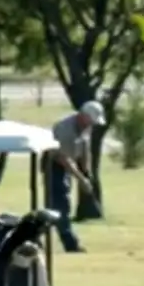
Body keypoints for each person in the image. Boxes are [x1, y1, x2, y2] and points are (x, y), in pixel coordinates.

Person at [45, 100, 105, 253]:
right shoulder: (65, 129)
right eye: (90, 121)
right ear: (83, 116)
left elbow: (85, 149)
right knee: (61, 204)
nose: (91, 125)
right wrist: (81, 179)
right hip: (54, 165)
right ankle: (70, 244)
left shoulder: (85, 127)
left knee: (60, 205)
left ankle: (40, 236)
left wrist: (87, 173)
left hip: (68, 163)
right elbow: (63, 158)